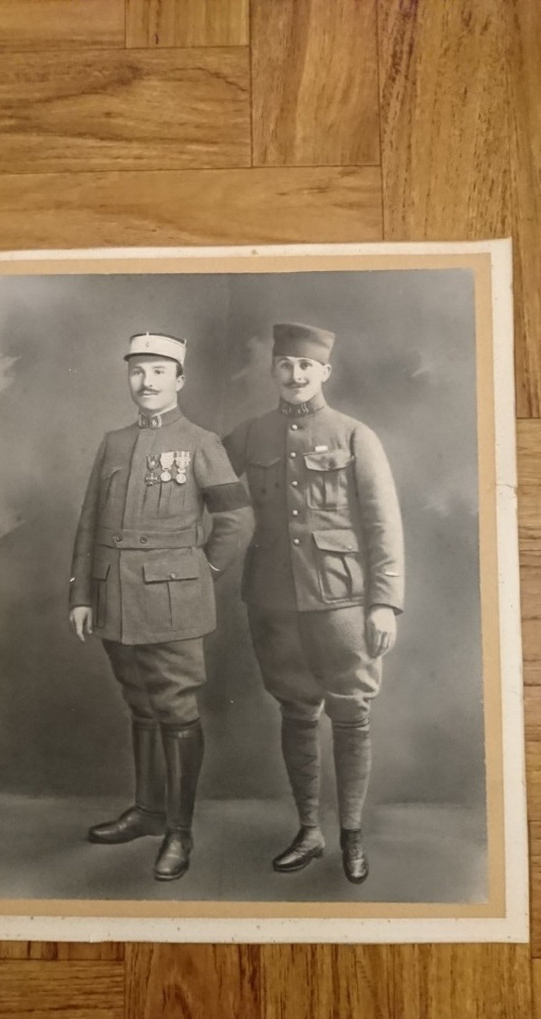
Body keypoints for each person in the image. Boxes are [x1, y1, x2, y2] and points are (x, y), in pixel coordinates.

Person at [69, 331, 254, 882]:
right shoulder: (113, 442)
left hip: (173, 600)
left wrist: (202, 573)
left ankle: (179, 829)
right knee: (140, 705)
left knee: (174, 709)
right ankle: (147, 813)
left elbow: (237, 520)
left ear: (179, 380)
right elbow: (89, 523)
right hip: (113, 598)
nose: (145, 382)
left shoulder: (200, 442)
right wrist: (82, 593)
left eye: (157, 371)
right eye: (136, 371)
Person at [223, 322, 404, 883]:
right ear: (273, 370)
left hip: (344, 603)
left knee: (351, 716)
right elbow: (203, 491)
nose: (295, 375)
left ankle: (351, 835)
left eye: (306, 366)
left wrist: (384, 603)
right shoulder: (249, 436)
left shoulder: (355, 436)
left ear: (325, 371)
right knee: (297, 713)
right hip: (273, 602)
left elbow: (382, 524)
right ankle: (309, 831)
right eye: (285, 365)